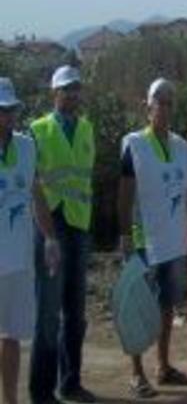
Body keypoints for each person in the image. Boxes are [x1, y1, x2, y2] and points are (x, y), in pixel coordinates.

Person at [117, 78, 187, 398]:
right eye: (159, 102)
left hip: (174, 241)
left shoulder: (182, 147)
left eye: (169, 102)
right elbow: (124, 194)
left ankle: (163, 366)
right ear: (147, 106)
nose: (164, 108)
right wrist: (125, 235)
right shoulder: (134, 144)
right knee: (140, 307)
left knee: (168, 306)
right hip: (144, 241)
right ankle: (136, 373)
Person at [28, 66, 97, 403]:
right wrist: (47, 232)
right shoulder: (37, 130)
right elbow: (32, 183)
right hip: (51, 227)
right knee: (48, 312)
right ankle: (41, 392)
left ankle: (70, 382)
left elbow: (84, 179)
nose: (72, 94)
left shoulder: (86, 129)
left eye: (76, 89)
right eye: (66, 89)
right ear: (54, 92)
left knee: (76, 312)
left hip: (79, 226)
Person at [0, 77, 61, 404]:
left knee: (11, 335)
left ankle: (9, 399)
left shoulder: (26, 146)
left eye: (10, 109)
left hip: (19, 260)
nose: (6, 115)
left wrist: (50, 237)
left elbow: (36, 193)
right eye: (1, 110)